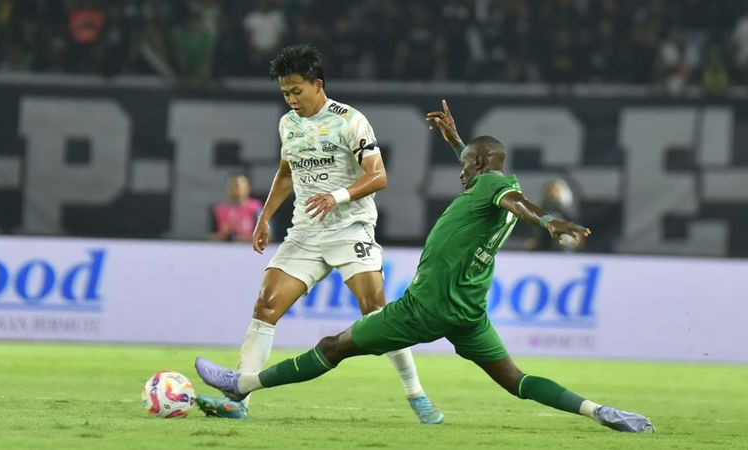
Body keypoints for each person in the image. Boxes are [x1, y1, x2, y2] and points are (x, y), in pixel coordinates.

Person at [193, 99, 655, 433]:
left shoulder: (494, 186)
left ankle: (243, 384)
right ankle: (598, 411)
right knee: (515, 380)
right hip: (469, 313)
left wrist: (551, 221)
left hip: (424, 309)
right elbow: (490, 179)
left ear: (479, 165)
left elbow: (517, 201)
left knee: (334, 346)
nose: (460, 171)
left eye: (465, 163)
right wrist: (457, 140)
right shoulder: (485, 183)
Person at [196, 44, 442, 424]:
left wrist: (337, 196)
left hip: (350, 228)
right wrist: (264, 217)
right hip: (306, 233)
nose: (291, 99)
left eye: (296, 90)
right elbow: (286, 172)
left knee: (376, 311)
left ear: (318, 84)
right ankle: (238, 401)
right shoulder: (288, 124)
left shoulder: (350, 120)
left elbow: (379, 176)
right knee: (266, 306)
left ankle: (416, 394)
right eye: (284, 93)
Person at [523, 178, 579, 252]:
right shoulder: (543, 207)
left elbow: (575, 224)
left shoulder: (567, 208)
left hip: (564, 242)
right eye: (549, 191)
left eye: (555, 191)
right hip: (545, 241)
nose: (552, 194)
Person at [210, 174, 263, 242]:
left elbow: (265, 236)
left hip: (249, 249)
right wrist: (226, 237)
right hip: (224, 249)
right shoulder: (219, 210)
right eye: (231, 187)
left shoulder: (255, 208)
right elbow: (211, 236)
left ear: (247, 188)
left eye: (237, 186)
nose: (234, 190)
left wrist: (239, 238)